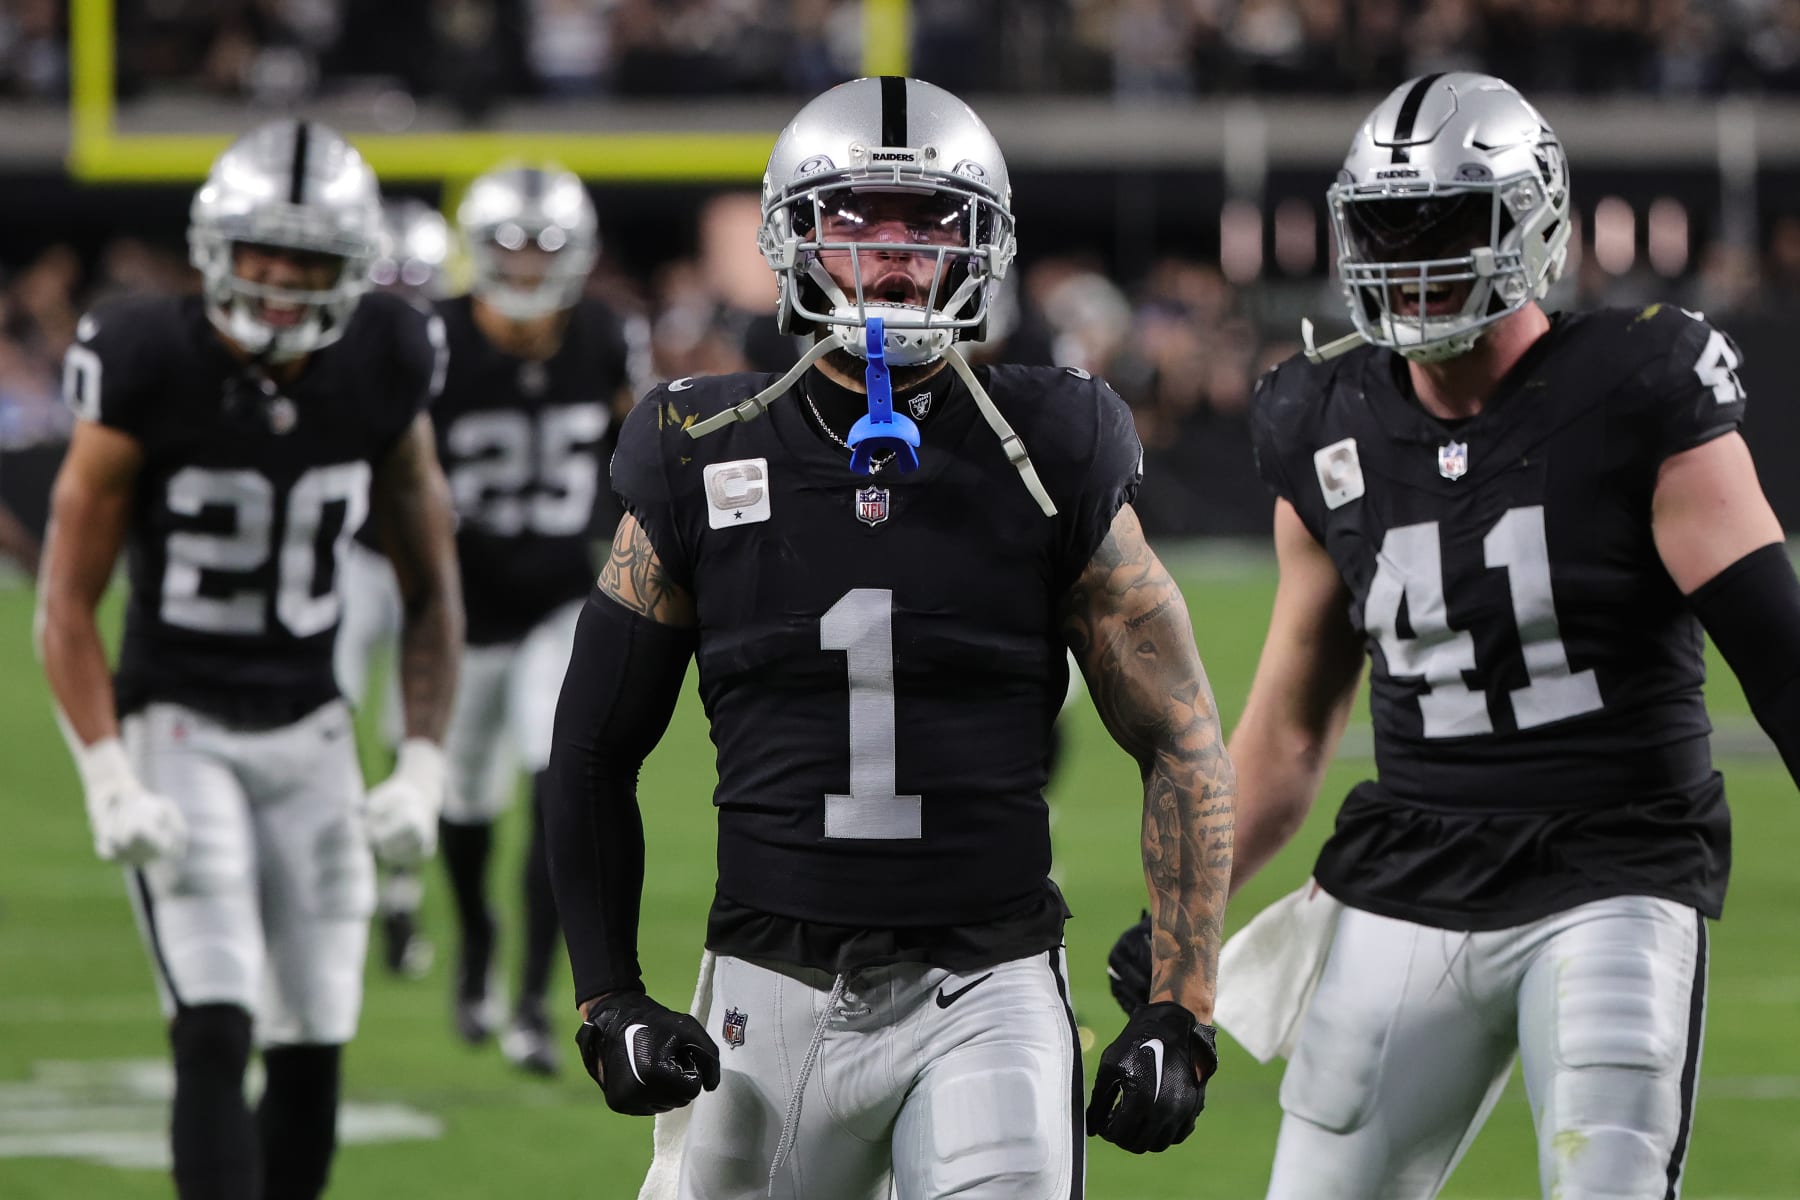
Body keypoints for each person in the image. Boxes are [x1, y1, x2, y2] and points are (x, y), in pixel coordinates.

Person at [1106, 72, 1800, 1199]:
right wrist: (1190, 919)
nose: (1410, 257)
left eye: (1444, 222)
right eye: (1384, 227)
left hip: (1612, 870)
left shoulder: (1639, 388)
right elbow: (1287, 736)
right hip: (1406, 880)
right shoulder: (1321, 418)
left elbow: (1783, 666)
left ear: (1532, 221)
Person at [544, 76, 1237, 1200]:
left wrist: (1182, 1005)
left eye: (931, 221)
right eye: (859, 217)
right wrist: (606, 995)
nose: (896, 254)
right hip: (765, 986)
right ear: (795, 234)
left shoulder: (1053, 441)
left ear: (983, 244)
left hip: (991, 986)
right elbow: (588, 749)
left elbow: (1183, 737)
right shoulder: (699, 443)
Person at [35, 119, 462, 1200]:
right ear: (215, 245)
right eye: (260, 249)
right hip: (177, 722)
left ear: (354, 265)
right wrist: (105, 770)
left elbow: (430, 581)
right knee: (215, 1020)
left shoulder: (386, 356)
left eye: (307, 255)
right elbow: (67, 599)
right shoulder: (143, 356)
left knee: (317, 1036)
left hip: (313, 729)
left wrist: (420, 758)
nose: (278, 278)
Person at [431, 163, 635, 1075]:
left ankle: (530, 1002)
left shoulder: (599, 336)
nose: (521, 264)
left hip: (558, 598)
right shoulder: (434, 342)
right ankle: (474, 937)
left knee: (560, 787)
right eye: (507, 245)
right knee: (463, 804)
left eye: (543, 246)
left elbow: (639, 448)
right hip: (458, 614)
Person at [334, 195, 454, 981]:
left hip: (415, 558)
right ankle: (341, 867)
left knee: (405, 729)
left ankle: (400, 889)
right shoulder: (339, 342)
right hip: (345, 553)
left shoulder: (450, 349)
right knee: (328, 715)